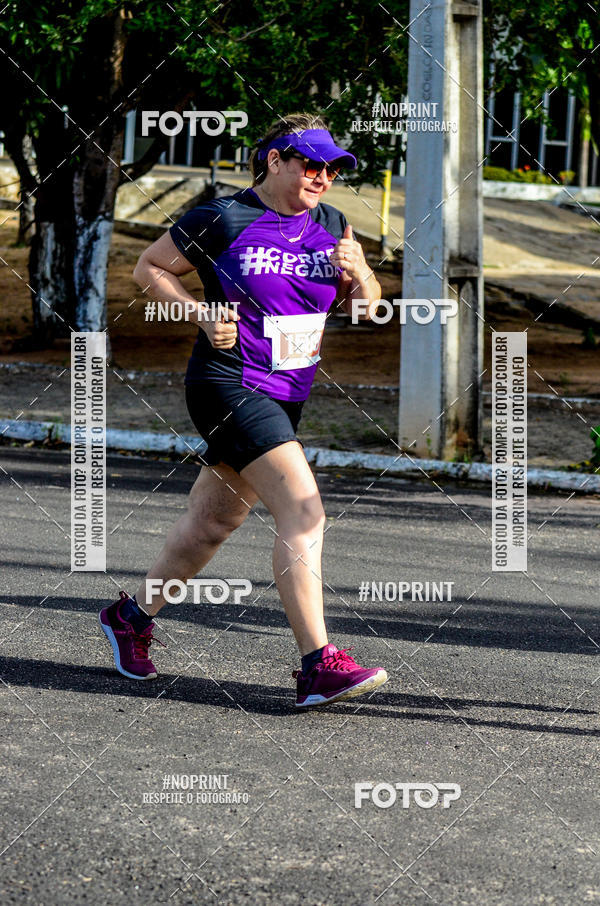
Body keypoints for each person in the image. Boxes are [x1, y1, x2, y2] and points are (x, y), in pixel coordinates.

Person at [99, 112, 388, 707]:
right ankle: (318, 665)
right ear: (275, 160)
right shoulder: (223, 218)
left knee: (213, 523)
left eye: (332, 169)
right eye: (311, 164)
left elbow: (364, 311)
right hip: (228, 383)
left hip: (287, 394)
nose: (323, 177)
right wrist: (199, 313)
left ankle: (130, 618)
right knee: (304, 512)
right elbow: (148, 267)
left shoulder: (332, 224)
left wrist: (363, 276)